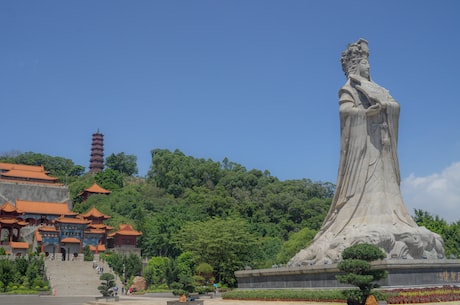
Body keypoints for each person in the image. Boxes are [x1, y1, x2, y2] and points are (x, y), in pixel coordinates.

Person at [289, 39, 444, 265]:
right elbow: (346, 112)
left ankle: (393, 219)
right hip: (362, 155)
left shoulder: (379, 88)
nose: (368, 66)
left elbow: (394, 105)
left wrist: (386, 107)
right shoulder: (349, 88)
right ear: (354, 65)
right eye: (364, 62)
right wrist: (365, 114)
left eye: (369, 62)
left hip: (383, 150)